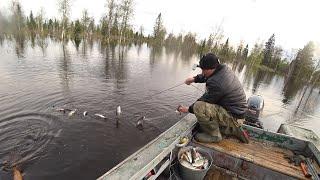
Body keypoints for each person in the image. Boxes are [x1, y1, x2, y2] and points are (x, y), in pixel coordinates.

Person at [178, 53, 249, 143]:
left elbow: (204, 100)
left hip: (234, 118)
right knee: (202, 109)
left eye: (204, 70)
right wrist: (194, 79)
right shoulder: (222, 69)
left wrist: (187, 109)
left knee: (198, 107)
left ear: (212, 68)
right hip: (236, 113)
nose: (202, 72)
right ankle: (225, 128)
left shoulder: (217, 83)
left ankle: (214, 135)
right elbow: (208, 75)